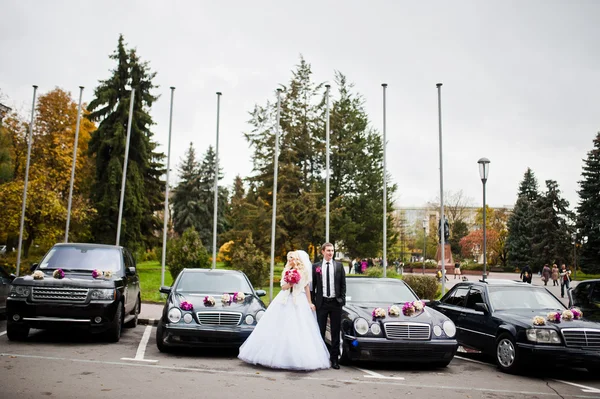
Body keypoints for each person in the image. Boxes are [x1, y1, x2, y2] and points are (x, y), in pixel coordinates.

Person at [238, 250, 330, 370]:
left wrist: (309, 302)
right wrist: (290, 284)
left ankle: (300, 359)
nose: (290, 260)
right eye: (289, 258)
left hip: (299, 300)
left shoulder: (304, 272)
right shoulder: (286, 271)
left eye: (292, 258)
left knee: (300, 328)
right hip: (285, 299)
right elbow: (282, 287)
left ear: (297, 260)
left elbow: (306, 287)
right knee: (279, 326)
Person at [312, 242, 346, 370]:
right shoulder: (316, 267)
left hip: (335, 303)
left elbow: (343, 284)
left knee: (335, 332)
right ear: (322, 252)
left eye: (332, 251)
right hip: (322, 303)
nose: (330, 253)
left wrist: (341, 299)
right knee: (320, 331)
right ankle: (320, 358)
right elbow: (313, 286)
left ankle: (334, 359)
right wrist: (314, 302)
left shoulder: (338, 266)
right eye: (328, 250)